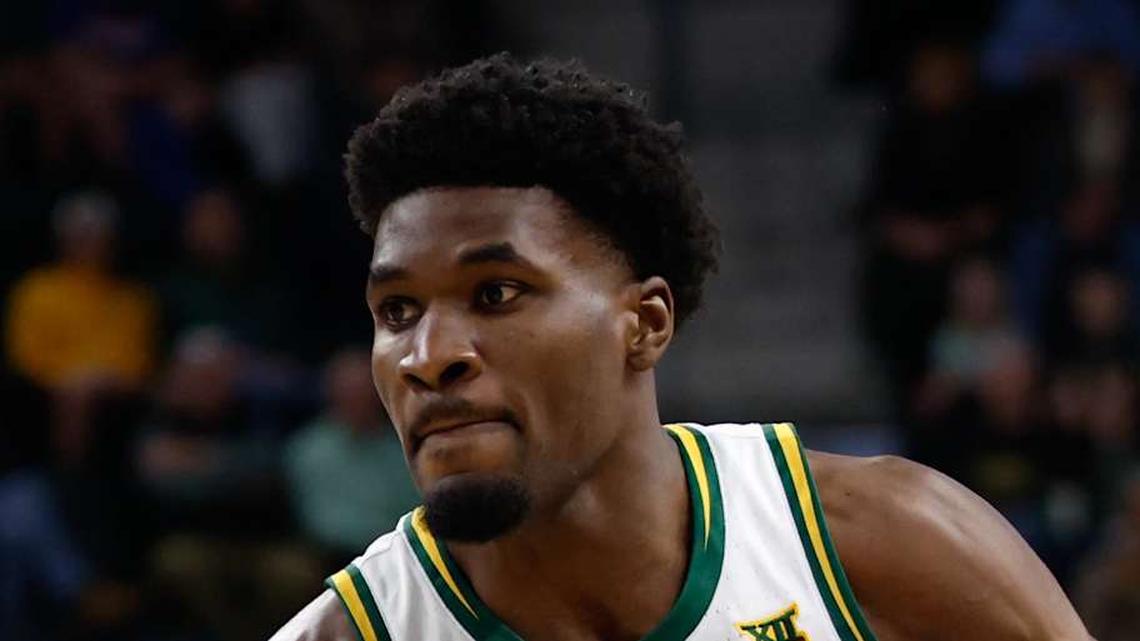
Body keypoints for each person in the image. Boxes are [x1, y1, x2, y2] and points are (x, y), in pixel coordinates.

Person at [273, 54, 1091, 641]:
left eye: (496, 293)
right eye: (397, 309)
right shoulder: (351, 629)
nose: (428, 353)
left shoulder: (889, 543)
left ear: (647, 322)